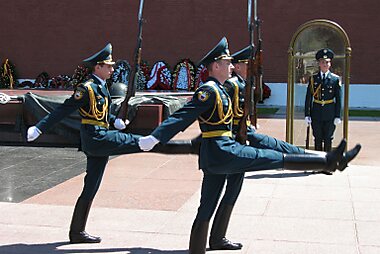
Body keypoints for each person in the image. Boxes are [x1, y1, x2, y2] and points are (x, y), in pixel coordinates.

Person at [138, 37, 361, 254]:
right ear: (215, 66)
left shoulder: (221, 89)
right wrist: (155, 137)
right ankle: (327, 161)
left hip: (220, 151)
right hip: (223, 151)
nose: (231, 66)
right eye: (227, 63)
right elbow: (183, 117)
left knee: (211, 202)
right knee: (270, 158)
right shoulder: (209, 91)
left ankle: (210, 243)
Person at [26, 43, 195, 244]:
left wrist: (114, 120)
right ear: (98, 67)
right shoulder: (86, 88)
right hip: (96, 137)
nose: (112, 70)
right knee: (140, 142)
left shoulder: (100, 86)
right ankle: (187, 146)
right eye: (108, 66)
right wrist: (39, 127)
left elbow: (102, 111)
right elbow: (63, 110)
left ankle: (76, 232)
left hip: (100, 135)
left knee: (91, 187)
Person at [305, 48, 342, 152]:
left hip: (330, 113)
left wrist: (337, 115)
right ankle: (318, 164)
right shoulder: (313, 79)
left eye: (327, 62)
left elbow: (338, 99)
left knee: (328, 139)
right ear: (319, 64)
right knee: (317, 139)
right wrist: (307, 114)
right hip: (316, 113)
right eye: (322, 62)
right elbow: (308, 98)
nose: (325, 64)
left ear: (330, 64)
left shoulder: (335, 79)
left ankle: (327, 164)